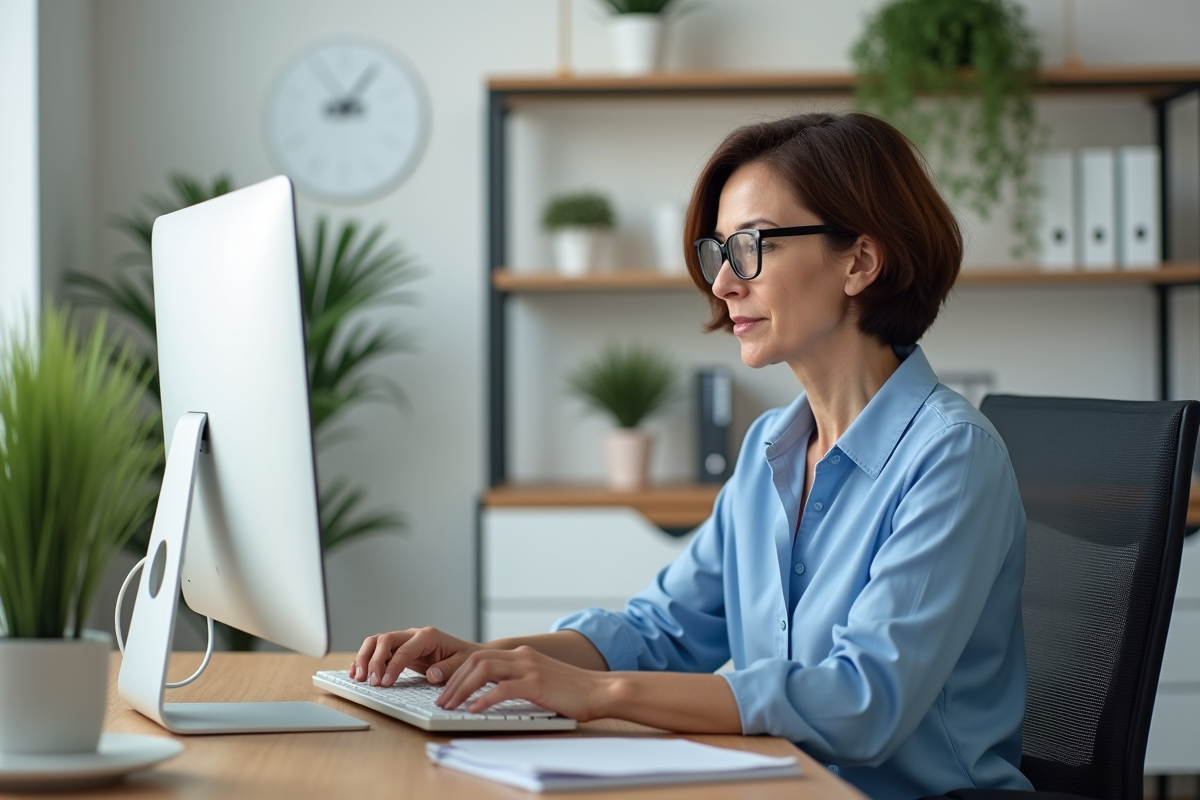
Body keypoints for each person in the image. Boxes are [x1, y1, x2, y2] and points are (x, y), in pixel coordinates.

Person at [351, 112, 1032, 799]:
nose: (725, 284)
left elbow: (861, 704)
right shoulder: (771, 449)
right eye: (719, 254)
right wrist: (484, 659)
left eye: (752, 247)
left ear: (859, 260)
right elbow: (661, 632)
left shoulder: (950, 458)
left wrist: (598, 692)